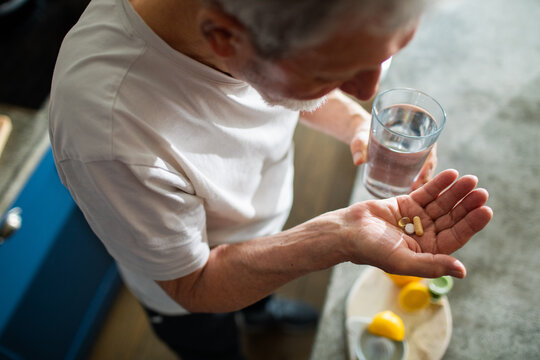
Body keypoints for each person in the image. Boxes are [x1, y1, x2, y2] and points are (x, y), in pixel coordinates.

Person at [49, 0, 493, 358]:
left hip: (260, 225)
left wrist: (357, 124)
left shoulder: (262, 34)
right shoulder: (110, 135)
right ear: (223, 37)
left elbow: (286, 80)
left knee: (256, 295)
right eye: (328, 74)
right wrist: (338, 237)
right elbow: (193, 285)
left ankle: (261, 311)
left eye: (382, 55)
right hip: (192, 296)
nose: (365, 90)